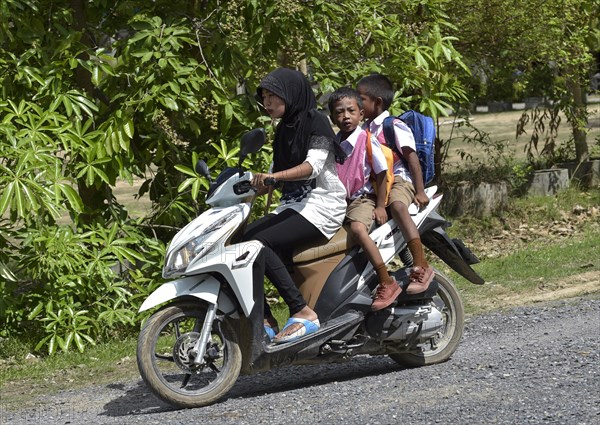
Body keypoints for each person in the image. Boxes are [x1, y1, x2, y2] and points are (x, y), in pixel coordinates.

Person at [244, 68, 347, 343]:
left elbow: (312, 167)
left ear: (290, 94)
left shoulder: (317, 121)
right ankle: (264, 316)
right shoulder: (282, 131)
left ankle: (302, 310)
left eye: (272, 96)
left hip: (321, 205)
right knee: (242, 240)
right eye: (264, 97)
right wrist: (255, 184)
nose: (266, 103)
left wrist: (274, 178)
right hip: (294, 205)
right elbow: (273, 173)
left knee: (258, 241)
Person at [356, 73, 434, 310]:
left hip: (400, 180)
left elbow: (412, 160)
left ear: (377, 102)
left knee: (398, 206)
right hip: (379, 185)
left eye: (362, 100)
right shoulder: (365, 129)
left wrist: (419, 190)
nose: (358, 105)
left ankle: (421, 264)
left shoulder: (394, 126)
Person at [329, 87, 400, 307]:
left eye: (351, 111)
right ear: (332, 117)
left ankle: (386, 280)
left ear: (361, 114)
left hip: (364, 199)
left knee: (358, 229)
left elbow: (381, 173)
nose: (345, 116)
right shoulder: (335, 143)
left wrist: (380, 206)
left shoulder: (366, 140)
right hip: (341, 201)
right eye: (339, 112)